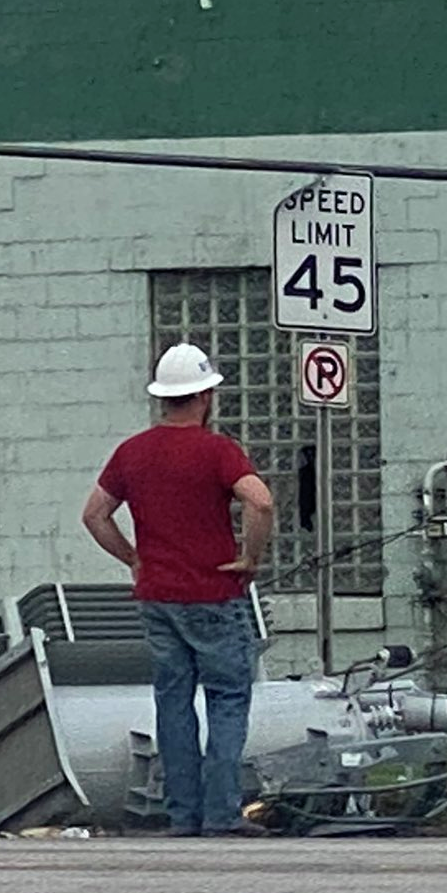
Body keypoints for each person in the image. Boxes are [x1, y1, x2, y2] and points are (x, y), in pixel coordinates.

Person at [82, 342, 276, 838]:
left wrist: (133, 558)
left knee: (173, 702)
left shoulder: (132, 452)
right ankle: (222, 813)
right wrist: (250, 558)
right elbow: (261, 502)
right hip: (213, 592)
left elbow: (94, 515)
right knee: (228, 699)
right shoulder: (217, 450)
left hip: (158, 597)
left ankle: (182, 814)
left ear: (162, 398)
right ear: (205, 396)